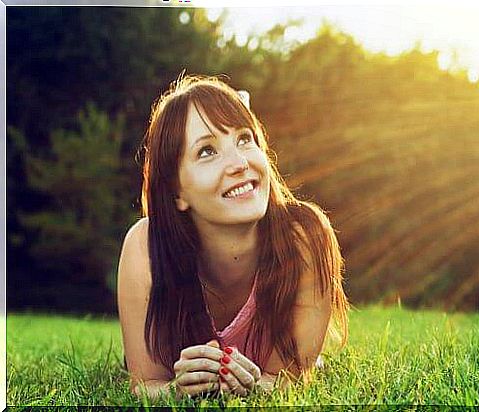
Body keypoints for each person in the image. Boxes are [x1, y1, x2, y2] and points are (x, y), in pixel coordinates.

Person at [117, 75, 349, 399]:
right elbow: (144, 386)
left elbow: (290, 380)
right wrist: (176, 390)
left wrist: (255, 387)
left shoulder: (306, 239)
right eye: (208, 151)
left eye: (244, 139)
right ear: (176, 191)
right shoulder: (144, 248)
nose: (239, 163)